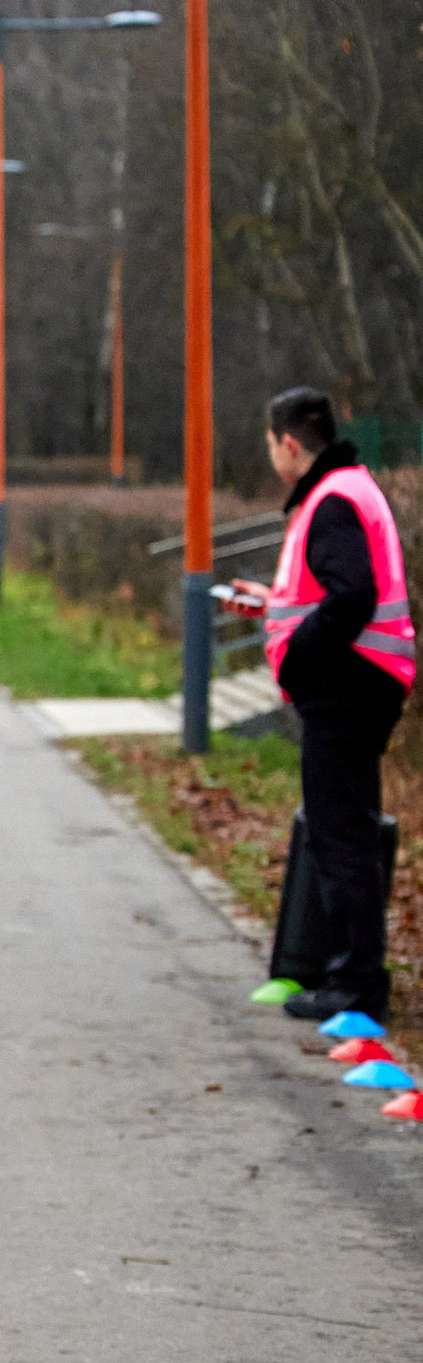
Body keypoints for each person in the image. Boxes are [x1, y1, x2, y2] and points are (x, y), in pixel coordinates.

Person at [222, 387, 414, 1024]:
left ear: (289, 443)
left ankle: (355, 985)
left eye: (270, 443)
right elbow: (326, 592)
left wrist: (297, 655)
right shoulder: (349, 489)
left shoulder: (331, 503)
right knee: (345, 829)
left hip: (347, 689)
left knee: (342, 837)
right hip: (364, 683)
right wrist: (271, 605)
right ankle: (348, 973)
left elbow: (352, 596)